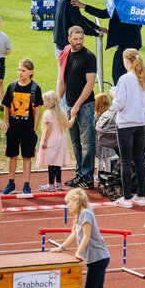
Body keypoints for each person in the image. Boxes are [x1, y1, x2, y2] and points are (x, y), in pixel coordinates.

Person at [52, 189, 115, 288]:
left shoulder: (86, 213)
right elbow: (74, 234)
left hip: (99, 258)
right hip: (97, 258)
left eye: (68, 202)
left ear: (77, 200)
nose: (67, 206)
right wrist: (61, 248)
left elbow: (86, 235)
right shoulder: (81, 215)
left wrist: (78, 253)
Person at [110, 48, 145, 208]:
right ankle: (140, 195)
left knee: (126, 161)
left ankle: (127, 198)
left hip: (125, 124)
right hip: (141, 123)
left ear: (127, 61)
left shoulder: (124, 79)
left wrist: (113, 95)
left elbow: (119, 104)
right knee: (139, 160)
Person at [60, 26, 98, 189]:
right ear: (69, 39)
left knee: (86, 142)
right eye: (75, 39)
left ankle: (87, 177)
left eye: (81, 38)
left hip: (85, 106)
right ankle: (79, 174)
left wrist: (77, 105)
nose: (78, 42)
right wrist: (57, 101)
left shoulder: (89, 56)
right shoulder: (65, 54)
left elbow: (90, 84)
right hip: (69, 104)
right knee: (75, 142)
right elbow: (62, 80)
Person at [0, 58, 42, 195]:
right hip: (13, 130)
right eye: (19, 70)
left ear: (31, 72)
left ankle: (26, 185)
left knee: (26, 158)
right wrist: (7, 123)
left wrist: (35, 127)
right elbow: (6, 106)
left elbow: (38, 110)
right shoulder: (12, 86)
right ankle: (10, 183)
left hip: (28, 130)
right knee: (12, 156)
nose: (20, 73)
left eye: (23, 70)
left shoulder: (35, 88)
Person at [35, 89, 70, 190]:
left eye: (44, 101)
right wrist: (73, 116)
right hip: (60, 140)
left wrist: (45, 141)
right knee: (57, 162)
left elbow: (48, 129)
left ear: (50, 102)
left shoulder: (48, 113)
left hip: (51, 140)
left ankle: (50, 185)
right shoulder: (60, 113)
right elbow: (68, 125)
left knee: (51, 163)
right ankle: (58, 183)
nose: (42, 103)